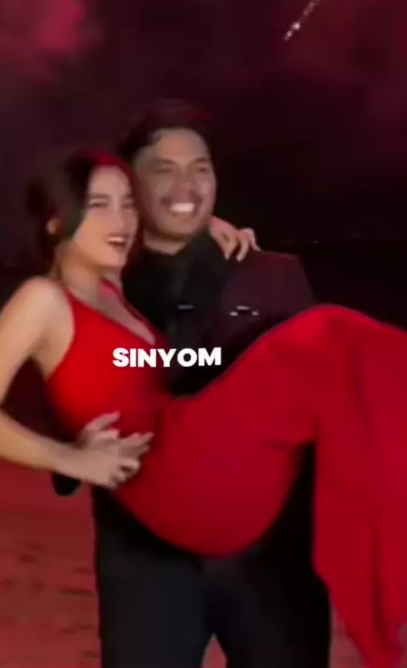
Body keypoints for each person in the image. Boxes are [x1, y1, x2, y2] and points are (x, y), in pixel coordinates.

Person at [0, 151, 407, 668]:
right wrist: (71, 458)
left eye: (128, 204)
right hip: (167, 477)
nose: (121, 221)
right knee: (322, 338)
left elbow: (165, 356)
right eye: (99, 205)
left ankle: (384, 562)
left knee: (338, 397)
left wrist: (204, 223)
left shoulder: (112, 287)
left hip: (186, 448)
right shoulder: (42, 299)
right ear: (56, 222)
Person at [52, 101, 330, 668]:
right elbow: (58, 429)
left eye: (200, 169)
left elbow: (322, 412)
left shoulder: (273, 276)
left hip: (270, 571)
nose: (187, 186)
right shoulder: (93, 290)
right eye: (164, 170)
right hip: (145, 567)